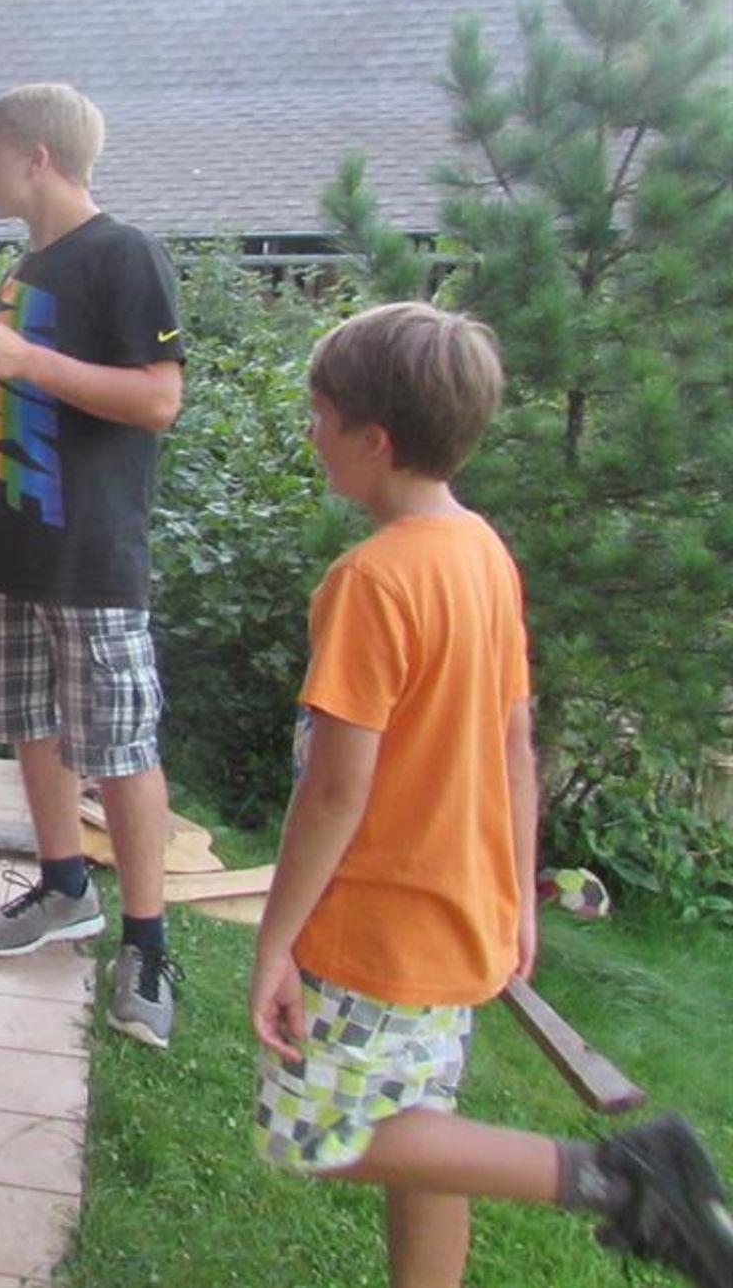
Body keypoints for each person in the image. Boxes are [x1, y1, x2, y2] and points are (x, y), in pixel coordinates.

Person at [249, 300, 733, 1288]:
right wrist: (516, 896)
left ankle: (616, 1178)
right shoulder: (480, 550)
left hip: (376, 930)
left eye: (319, 415)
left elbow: (335, 792)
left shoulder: (372, 581)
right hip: (459, 910)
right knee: (424, 1134)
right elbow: (516, 743)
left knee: (324, 1136)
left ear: (373, 441)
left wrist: (273, 941)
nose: (310, 432)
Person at [0, 82, 185, 1048]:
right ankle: (66, 889)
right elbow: (34, 409)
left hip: (91, 555)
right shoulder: (25, 268)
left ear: (37, 156)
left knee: (120, 748)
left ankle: (147, 945)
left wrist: (26, 363)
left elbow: (157, 401)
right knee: (29, 724)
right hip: (11, 543)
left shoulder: (125, 254)